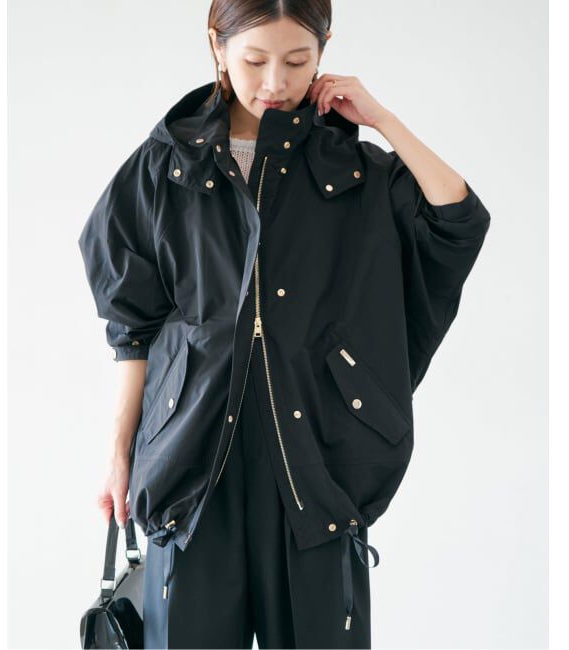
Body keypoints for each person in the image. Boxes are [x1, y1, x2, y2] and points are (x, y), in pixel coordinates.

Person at [77, 1, 491, 648]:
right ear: (216, 45)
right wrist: (118, 452)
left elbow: (457, 220)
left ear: (325, 49)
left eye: (298, 61)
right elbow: (133, 325)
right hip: (192, 463)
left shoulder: (354, 170)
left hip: (316, 464)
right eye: (255, 60)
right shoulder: (165, 167)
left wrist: (383, 120)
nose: (276, 82)